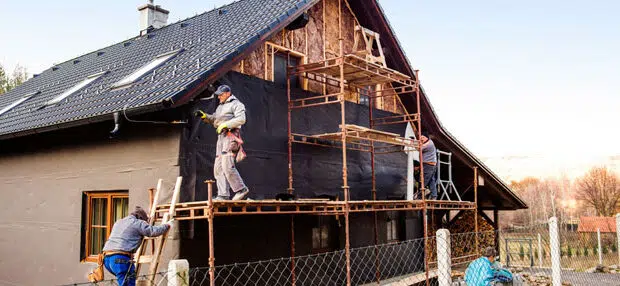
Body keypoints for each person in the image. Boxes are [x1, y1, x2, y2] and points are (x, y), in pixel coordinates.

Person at [195, 85, 250, 201]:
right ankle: (223, 195)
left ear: (228, 93)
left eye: (221, 94)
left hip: (231, 136)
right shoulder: (221, 106)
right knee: (218, 167)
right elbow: (215, 120)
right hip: (221, 138)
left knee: (227, 165)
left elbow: (241, 119)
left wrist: (226, 125)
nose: (219, 96)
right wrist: (205, 116)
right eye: (218, 94)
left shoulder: (236, 104)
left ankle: (241, 189)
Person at [101, 206, 173, 286]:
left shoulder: (119, 222)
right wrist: (167, 225)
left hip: (107, 259)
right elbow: (152, 231)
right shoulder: (138, 223)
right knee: (128, 283)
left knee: (124, 281)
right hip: (120, 259)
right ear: (140, 218)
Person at [420, 133, 438, 199]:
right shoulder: (428, 143)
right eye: (420, 138)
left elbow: (419, 148)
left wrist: (412, 141)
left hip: (428, 165)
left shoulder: (429, 144)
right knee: (431, 181)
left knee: (424, 180)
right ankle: (434, 195)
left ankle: (419, 195)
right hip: (430, 165)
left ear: (427, 138)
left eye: (422, 138)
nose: (421, 139)